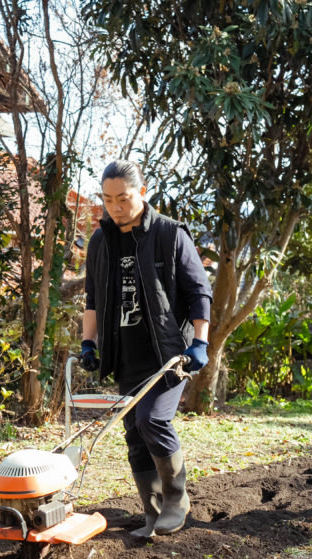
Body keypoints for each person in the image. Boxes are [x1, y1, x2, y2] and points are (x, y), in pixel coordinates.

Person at [80, 159, 213, 537]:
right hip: (125, 356)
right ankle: (152, 512)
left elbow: (199, 292)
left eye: (123, 198)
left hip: (168, 355)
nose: (115, 207)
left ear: (142, 192)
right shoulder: (101, 241)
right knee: (135, 435)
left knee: (151, 419)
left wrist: (200, 342)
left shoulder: (170, 234)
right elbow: (92, 298)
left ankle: (176, 500)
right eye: (108, 200)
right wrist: (88, 342)